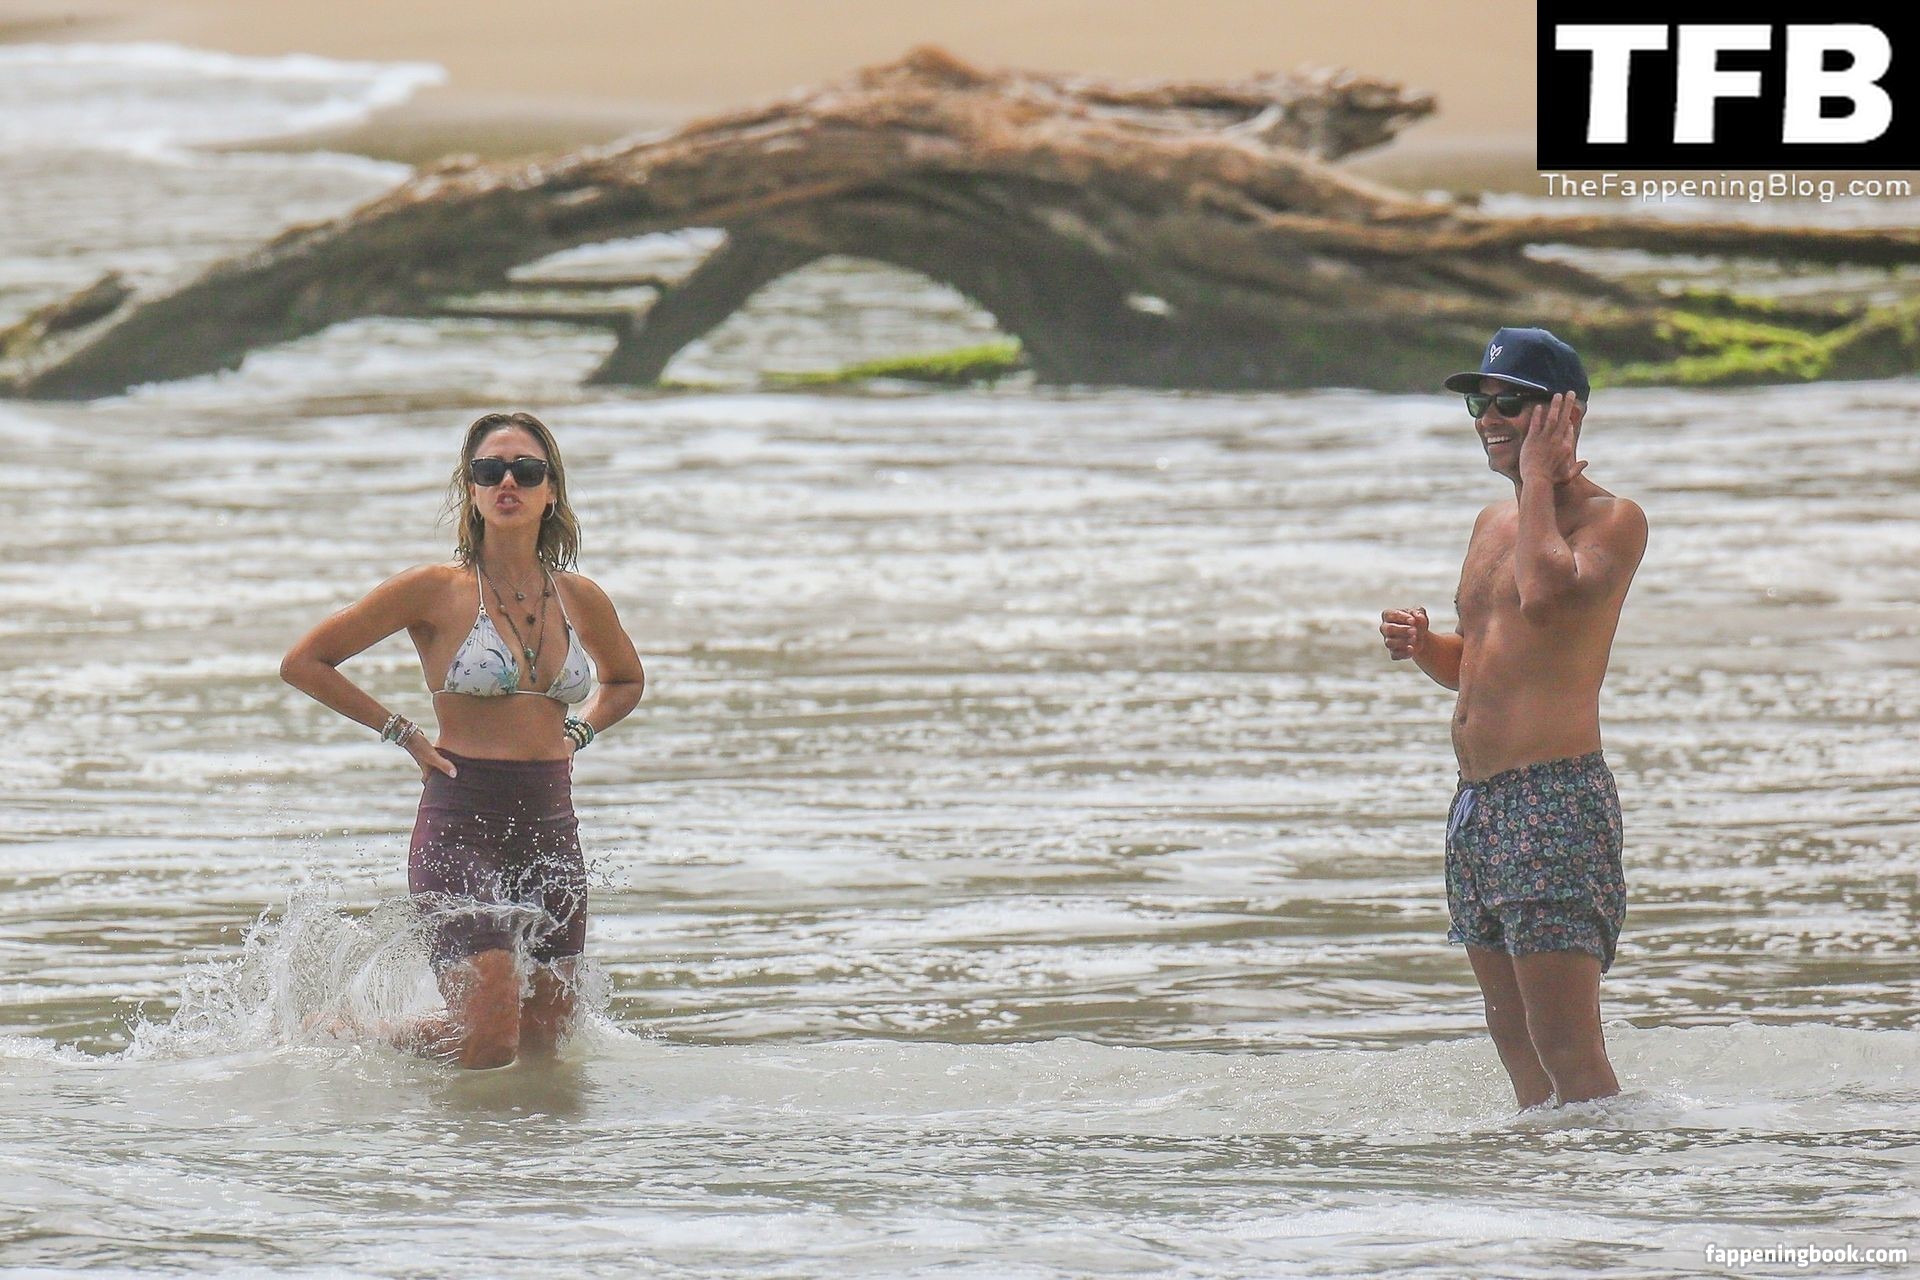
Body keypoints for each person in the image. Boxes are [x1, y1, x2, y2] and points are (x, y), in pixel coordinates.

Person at [282, 410, 645, 1069]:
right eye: (489, 470)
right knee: (489, 1037)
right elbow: (305, 662)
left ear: (551, 491)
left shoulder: (580, 597)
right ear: (471, 489)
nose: (507, 482)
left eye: (526, 470)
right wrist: (402, 732)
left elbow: (625, 680)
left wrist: (580, 729)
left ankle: (492, 1128)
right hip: (461, 822)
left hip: (551, 826)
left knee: (543, 1042)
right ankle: (352, 1037)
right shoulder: (433, 590)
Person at [1380, 327, 1647, 1109]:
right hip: (1479, 805)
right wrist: (1427, 646)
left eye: (1512, 405)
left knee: (1565, 1041)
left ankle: (1615, 1170)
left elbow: (1545, 598)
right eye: (1481, 404)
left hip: (1553, 801)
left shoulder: (1614, 519)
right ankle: (1543, 1172)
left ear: (1567, 415)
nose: (1490, 420)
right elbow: (1482, 667)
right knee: (1511, 1033)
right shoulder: (1491, 524)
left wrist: (1536, 479)